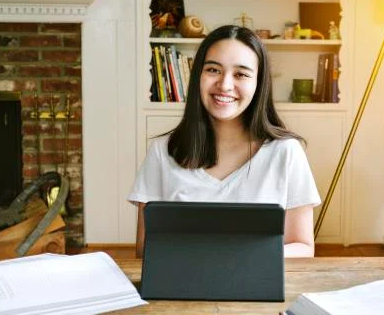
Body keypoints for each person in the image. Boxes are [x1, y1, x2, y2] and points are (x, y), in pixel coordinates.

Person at [128, 25, 321, 258]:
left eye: (241, 74)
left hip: (259, 286)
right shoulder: (162, 151)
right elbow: (145, 248)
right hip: (182, 289)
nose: (225, 85)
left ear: (259, 83)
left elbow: (303, 246)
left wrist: (235, 256)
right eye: (213, 70)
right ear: (198, 75)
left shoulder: (287, 151)